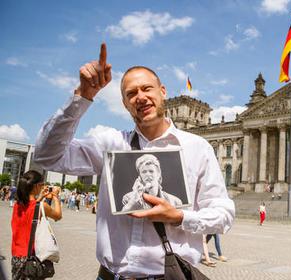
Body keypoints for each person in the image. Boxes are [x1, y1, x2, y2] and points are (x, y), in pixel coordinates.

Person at [34, 43, 235, 279]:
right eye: (131, 93)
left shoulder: (197, 147)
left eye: (146, 88)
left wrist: (180, 217)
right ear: (125, 104)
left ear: (163, 92)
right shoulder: (111, 144)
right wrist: (82, 96)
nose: (140, 97)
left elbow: (224, 214)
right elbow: (46, 155)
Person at [10, 170, 62, 280]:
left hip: (16, 257)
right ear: (36, 186)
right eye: (42, 184)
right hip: (32, 259)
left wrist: (41, 197)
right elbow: (58, 216)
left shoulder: (17, 205)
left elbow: (31, 208)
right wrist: (56, 197)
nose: (43, 187)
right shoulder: (41, 205)